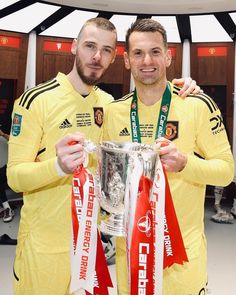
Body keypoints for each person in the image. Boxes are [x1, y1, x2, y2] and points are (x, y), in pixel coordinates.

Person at [7, 17, 203, 295]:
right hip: (44, 249)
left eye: (107, 50)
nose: (97, 56)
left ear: (115, 58)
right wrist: (58, 166)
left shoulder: (109, 105)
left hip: (91, 249)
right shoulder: (35, 100)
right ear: (74, 47)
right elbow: (14, 177)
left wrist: (185, 87)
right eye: (89, 46)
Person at [100, 18, 234, 294]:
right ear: (126, 61)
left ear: (168, 56)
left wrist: (186, 164)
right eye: (138, 53)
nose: (146, 60)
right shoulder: (114, 111)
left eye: (155, 52)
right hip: (132, 253)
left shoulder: (197, 104)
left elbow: (226, 171)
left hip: (181, 255)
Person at [0, 129, 14, 222]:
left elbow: (15, 142)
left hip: (10, 166)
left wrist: (3, 134)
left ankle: (7, 208)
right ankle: (4, 207)